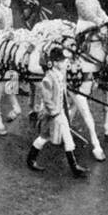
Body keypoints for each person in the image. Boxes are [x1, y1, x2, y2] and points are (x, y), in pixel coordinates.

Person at [26, 46, 88, 178]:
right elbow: (47, 99)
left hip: (60, 113)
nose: (65, 62)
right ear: (54, 63)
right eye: (62, 61)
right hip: (51, 115)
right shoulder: (48, 79)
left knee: (66, 137)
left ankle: (74, 167)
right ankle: (31, 159)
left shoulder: (60, 75)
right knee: (44, 137)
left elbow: (62, 94)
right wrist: (55, 113)